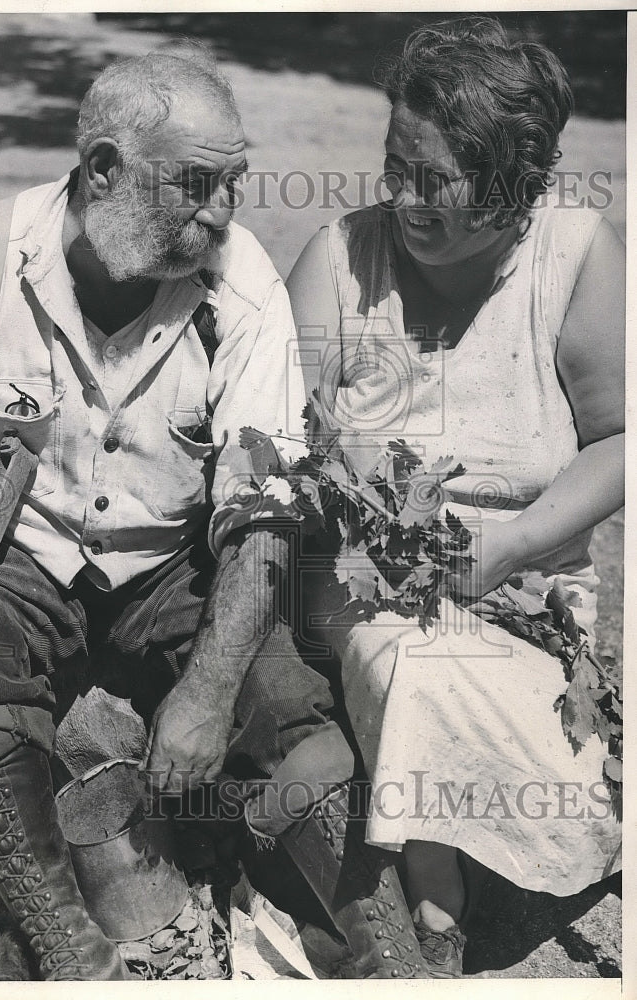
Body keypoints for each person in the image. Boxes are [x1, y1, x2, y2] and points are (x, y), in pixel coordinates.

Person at [0, 51, 428, 980]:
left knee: (285, 698)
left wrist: (210, 693)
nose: (221, 214)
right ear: (104, 172)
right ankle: (70, 945)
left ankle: (387, 955)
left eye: (234, 185)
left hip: (178, 560)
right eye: (196, 186)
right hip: (19, 555)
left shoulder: (242, 290)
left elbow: (263, 509)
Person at [286, 18, 624, 978]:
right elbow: (276, 440)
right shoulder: (340, 259)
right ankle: (439, 911)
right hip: (369, 586)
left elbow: (618, 440)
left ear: (513, 187)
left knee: (572, 774)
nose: (399, 193)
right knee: (413, 669)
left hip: (530, 581)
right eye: (395, 162)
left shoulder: (576, 258)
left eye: (433, 178)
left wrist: (515, 545)